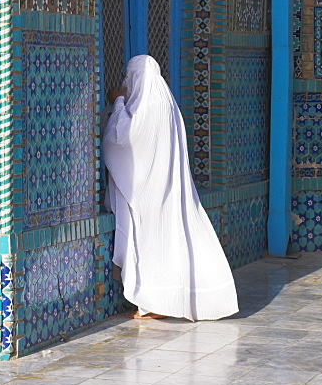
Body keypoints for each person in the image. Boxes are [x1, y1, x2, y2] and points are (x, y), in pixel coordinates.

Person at [102, 54, 239, 321]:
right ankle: (161, 301)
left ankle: (154, 301)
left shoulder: (147, 104)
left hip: (148, 190)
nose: (126, 84)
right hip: (164, 187)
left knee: (152, 242)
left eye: (129, 78)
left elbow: (120, 139)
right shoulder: (166, 102)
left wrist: (117, 101)